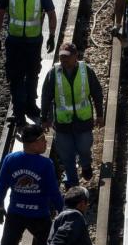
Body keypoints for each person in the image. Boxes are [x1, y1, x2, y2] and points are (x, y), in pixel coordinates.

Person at [0, 0, 58, 121]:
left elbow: (51, 13)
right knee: (15, 76)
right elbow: (0, 13)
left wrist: (51, 35)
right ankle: (18, 111)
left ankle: (30, 103)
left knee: (32, 73)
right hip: (14, 42)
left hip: (33, 42)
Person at [0, 123, 63, 245]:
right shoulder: (45, 164)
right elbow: (53, 191)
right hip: (39, 216)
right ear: (33, 144)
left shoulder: (10, 159)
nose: (46, 142)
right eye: (43, 139)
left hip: (15, 214)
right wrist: (63, 210)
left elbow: (2, 184)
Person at [40, 42, 105, 186]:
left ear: (76, 56)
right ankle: (73, 181)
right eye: (62, 57)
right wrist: (44, 118)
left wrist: (100, 115)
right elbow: (46, 96)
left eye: (67, 57)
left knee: (84, 148)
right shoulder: (53, 73)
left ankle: (86, 165)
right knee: (66, 154)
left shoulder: (86, 71)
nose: (64, 60)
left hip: (83, 121)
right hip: (63, 124)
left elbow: (97, 93)